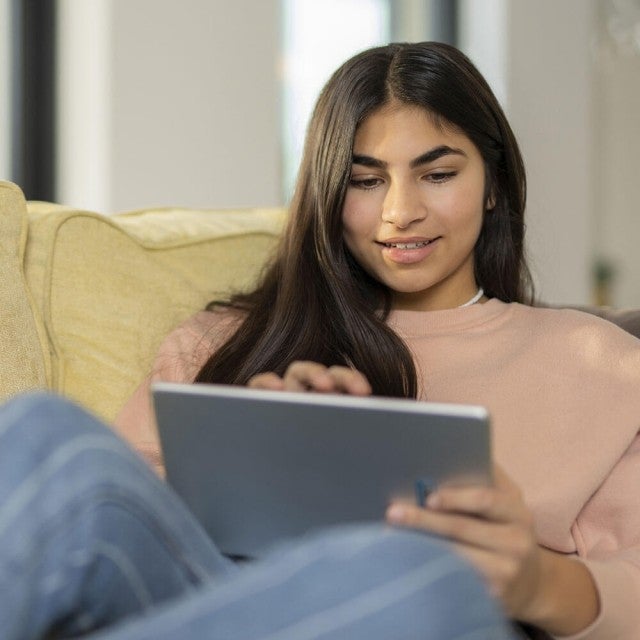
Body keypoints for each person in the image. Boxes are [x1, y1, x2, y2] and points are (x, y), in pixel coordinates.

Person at [2, 41, 639, 639]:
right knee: (42, 430)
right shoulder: (226, 342)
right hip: (219, 599)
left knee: (424, 568)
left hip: (420, 607)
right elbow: (126, 531)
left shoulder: (599, 364)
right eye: (365, 181)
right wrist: (257, 463)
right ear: (329, 193)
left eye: (437, 174)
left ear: (494, 183)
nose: (399, 211)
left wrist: (533, 580)